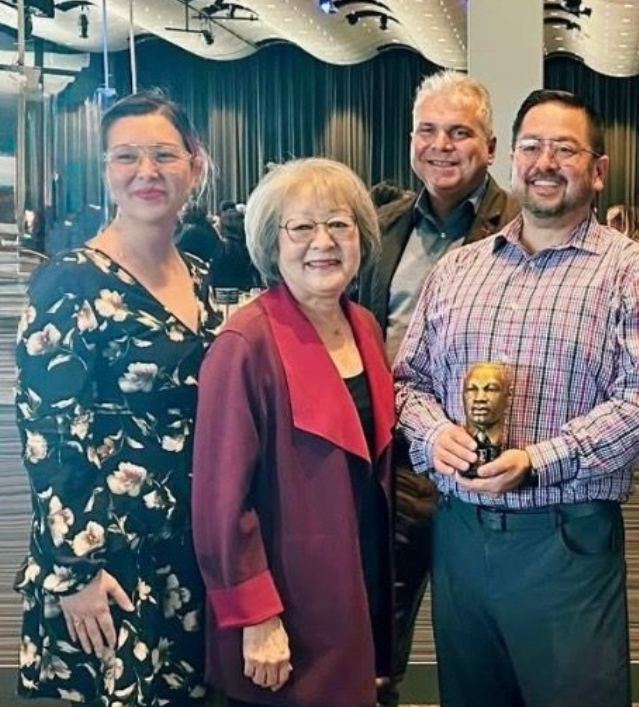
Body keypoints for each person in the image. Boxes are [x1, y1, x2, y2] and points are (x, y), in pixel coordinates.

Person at [395, 88, 639, 707]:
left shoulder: (633, 272)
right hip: (459, 536)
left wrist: (539, 460)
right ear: (512, 159)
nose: (545, 162)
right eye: (532, 146)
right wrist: (431, 433)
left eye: (565, 149)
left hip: (564, 539)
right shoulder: (459, 270)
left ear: (598, 170)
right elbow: (409, 382)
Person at [13, 90, 220, 706]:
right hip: (105, 564)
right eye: (126, 156)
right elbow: (48, 440)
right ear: (106, 170)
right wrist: (74, 575)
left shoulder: (201, 275)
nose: (147, 172)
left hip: (184, 552)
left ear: (196, 164)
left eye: (164, 154)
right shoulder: (69, 282)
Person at [191, 158, 396, 707]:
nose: (322, 242)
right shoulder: (245, 344)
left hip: (352, 592)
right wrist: (255, 617)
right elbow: (219, 504)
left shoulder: (364, 328)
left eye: (339, 224)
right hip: (285, 612)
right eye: (301, 227)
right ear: (270, 243)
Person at [354, 69, 519, 706]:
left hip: (485, 467)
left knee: (484, 641)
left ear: (491, 146)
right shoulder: (378, 227)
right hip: (393, 461)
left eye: (460, 132)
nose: (441, 145)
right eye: (428, 130)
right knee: (375, 638)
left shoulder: (521, 227)